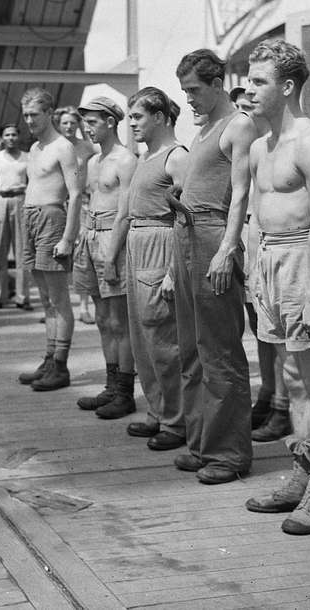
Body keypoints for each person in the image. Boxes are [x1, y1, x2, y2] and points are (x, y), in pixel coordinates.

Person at [239, 40, 310, 535]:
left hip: (307, 263)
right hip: (270, 264)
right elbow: (260, 215)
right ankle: (300, 474)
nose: (249, 88)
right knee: (292, 379)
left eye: (259, 81)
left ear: (287, 86)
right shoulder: (262, 144)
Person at [169, 49, 258, 485]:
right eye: (184, 91)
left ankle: (229, 453)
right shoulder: (202, 130)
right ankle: (202, 442)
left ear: (218, 84)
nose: (188, 99)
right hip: (184, 236)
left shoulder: (237, 124)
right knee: (191, 350)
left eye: (194, 90)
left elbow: (240, 194)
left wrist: (227, 250)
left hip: (212, 238)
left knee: (220, 351)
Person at [119, 87, 188, 449]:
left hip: (160, 246)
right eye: (130, 117)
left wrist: (174, 271)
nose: (131, 124)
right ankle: (158, 411)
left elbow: (185, 220)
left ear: (159, 117)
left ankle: (177, 422)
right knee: (142, 340)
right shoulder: (145, 157)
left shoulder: (176, 158)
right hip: (137, 245)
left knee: (163, 341)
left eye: (138, 117)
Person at [232, 85, 292, 442]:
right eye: (238, 109)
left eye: (248, 107)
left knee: (280, 334)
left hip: (274, 247)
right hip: (251, 244)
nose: (244, 114)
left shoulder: (276, 145)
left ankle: (283, 405)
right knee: (261, 332)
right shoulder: (250, 149)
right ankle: (268, 395)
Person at [73, 97, 137, 419]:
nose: (87, 128)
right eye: (86, 122)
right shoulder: (95, 161)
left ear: (111, 122)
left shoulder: (126, 160)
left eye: (93, 122)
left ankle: (125, 392)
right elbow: (87, 199)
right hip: (91, 237)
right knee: (101, 320)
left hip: (114, 239)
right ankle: (111, 386)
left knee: (119, 321)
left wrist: (112, 254)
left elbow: (126, 212)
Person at [17, 88, 83, 391]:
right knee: (44, 299)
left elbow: (76, 193)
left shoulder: (62, 147)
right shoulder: (34, 148)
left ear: (48, 113)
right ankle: (49, 358)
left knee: (58, 299)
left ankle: (61, 365)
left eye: (34, 114)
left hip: (51, 219)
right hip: (29, 219)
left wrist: (68, 238)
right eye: (26, 114)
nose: (29, 120)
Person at [56, 105, 97, 325]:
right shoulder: (53, 146)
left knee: (81, 255)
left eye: (73, 122)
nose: (69, 126)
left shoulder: (86, 147)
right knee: (56, 256)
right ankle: (58, 307)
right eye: (65, 123)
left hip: (80, 203)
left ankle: (83, 306)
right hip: (57, 204)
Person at [0, 123, 32, 310]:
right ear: (2, 138)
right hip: (0, 200)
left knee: (22, 252)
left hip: (20, 201)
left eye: (14, 134)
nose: (11, 138)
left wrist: (25, 190)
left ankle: (22, 296)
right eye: (7, 135)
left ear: (18, 137)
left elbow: (33, 182)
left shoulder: (27, 157)